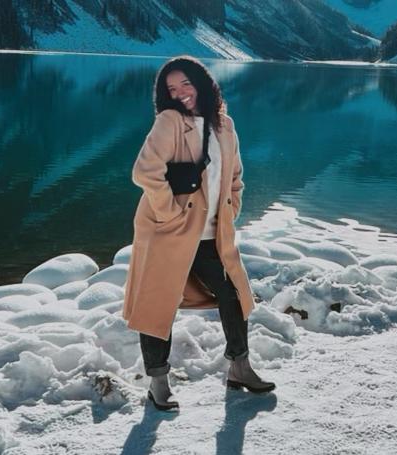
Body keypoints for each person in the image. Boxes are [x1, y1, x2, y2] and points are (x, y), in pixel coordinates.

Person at [123, 55, 275, 411]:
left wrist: (230, 209)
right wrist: (170, 212)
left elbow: (235, 176)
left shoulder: (225, 125)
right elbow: (145, 171)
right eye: (171, 89)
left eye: (186, 84)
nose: (180, 93)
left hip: (211, 233)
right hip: (168, 231)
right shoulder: (170, 121)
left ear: (203, 83)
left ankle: (239, 367)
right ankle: (158, 383)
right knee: (158, 304)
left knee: (233, 294)